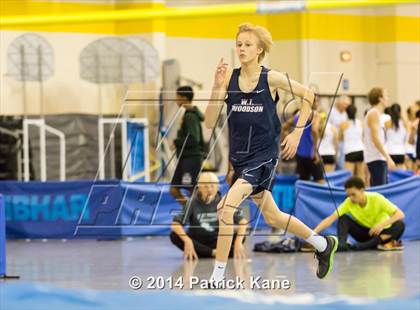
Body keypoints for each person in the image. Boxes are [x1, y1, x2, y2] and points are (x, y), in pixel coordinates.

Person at [204, 23, 338, 285]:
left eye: (247, 44)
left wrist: (298, 133)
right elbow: (209, 121)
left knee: (225, 209)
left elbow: (309, 95)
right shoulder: (229, 79)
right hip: (240, 160)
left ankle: (217, 277)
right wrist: (216, 85)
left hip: (264, 157)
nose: (241, 48)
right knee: (273, 216)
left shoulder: (271, 78)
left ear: (260, 49)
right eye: (239, 44)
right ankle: (323, 244)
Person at [314, 176, 405, 251]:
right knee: (343, 218)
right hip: (366, 234)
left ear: (362, 190)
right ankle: (342, 245)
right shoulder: (348, 202)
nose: (351, 198)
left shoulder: (377, 198)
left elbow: (400, 214)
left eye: (353, 194)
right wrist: (312, 234)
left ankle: (362, 246)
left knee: (400, 225)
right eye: (348, 195)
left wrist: (381, 225)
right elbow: (330, 219)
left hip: (380, 233)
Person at [170, 172, 248, 259]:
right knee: (174, 236)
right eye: (206, 186)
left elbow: (243, 222)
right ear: (199, 187)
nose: (210, 190)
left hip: (217, 240)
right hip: (198, 240)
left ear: (218, 186)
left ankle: (205, 253)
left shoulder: (224, 202)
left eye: (212, 186)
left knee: (241, 235)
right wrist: (187, 241)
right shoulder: (192, 202)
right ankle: (213, 253)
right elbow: (175, 224)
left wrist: (238, 242)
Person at [170, 86, 206, 205]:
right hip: (184, 159)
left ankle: (205, 211)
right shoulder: (187, 114)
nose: (176, 100)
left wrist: (176, 142)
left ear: (184, 98)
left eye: (177, 97)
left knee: (192, 188)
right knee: (174, 189)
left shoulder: (190, 116)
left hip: (192, 159)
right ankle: (190, 213)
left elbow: (193, 139)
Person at [363, 87, 396, 186]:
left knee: (381, 192)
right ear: (380, 98)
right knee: (380, 192)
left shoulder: (377, 114)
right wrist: (388, 157)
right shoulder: (373, 113)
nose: (388, 98)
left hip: (378, 158)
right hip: (376, 158)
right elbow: (375, 139)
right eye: (386, 95)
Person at [294, 97, 325, 183]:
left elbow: (285, 127)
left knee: (303, 183)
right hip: (311, 155)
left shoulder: (297, 115)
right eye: (317, 101)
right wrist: (315, 150)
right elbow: (314, 130)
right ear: (313, 102)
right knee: (321, 182)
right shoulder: (315, 114)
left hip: (300, 155)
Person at [340, 104, 365, 180]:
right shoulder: (360, 123)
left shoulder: (343, 124)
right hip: (360, 150)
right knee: (361, 175)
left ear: (346, 113)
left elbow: (340, 138)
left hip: (349, 151)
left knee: (348, 177)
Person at [329, 95, 351, 170]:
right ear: (339, 103)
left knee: (342, 165)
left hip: (344, 142)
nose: (347, 106)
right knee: (335, 164)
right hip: (333, 142)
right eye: (345, 104)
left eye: (348, 105)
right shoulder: (331, 112)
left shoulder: (346, 114)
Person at [384, 103, 408, 169]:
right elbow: (406, 139)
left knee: (391, 175)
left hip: (390, 152)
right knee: (400, 174)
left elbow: (384, 139)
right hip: (401, 152)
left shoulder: (387, 123)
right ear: (400, 112)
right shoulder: (404, 123)